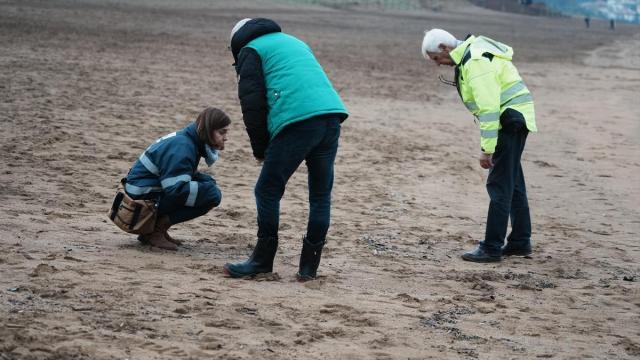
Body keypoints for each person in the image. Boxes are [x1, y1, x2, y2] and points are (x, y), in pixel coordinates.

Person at [223, 18, 348, 280]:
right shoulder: (294, 42)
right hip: (331, 116)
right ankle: (308, 268)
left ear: (237, 41)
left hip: (298, 121)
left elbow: (253, 106)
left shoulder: (251, 51)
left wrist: (260, 150)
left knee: (267, 189)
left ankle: (262, 259)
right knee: (319, 195)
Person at [421, 29, 537, 263]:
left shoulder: (474, 61)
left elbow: (489, 108)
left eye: (436, 58)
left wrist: (487, 149)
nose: (438, 64)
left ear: (444, 47)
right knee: (512, 183)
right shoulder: (473, 53)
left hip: (509, 120)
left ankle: (492, 247)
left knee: (499, 185)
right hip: (517, 118)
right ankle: (520, 242)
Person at [124, 107, 230, 250]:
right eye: (221, 132)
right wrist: (209, 191)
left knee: (208, 184)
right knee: (212, 194)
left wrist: (207, 183)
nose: (225, 138)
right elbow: (175, 190)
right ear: (208, 130)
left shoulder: (188, 139)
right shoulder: (183, 146)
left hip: (143, 188)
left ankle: (154, 229)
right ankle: (155, 231)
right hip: (139, 198)